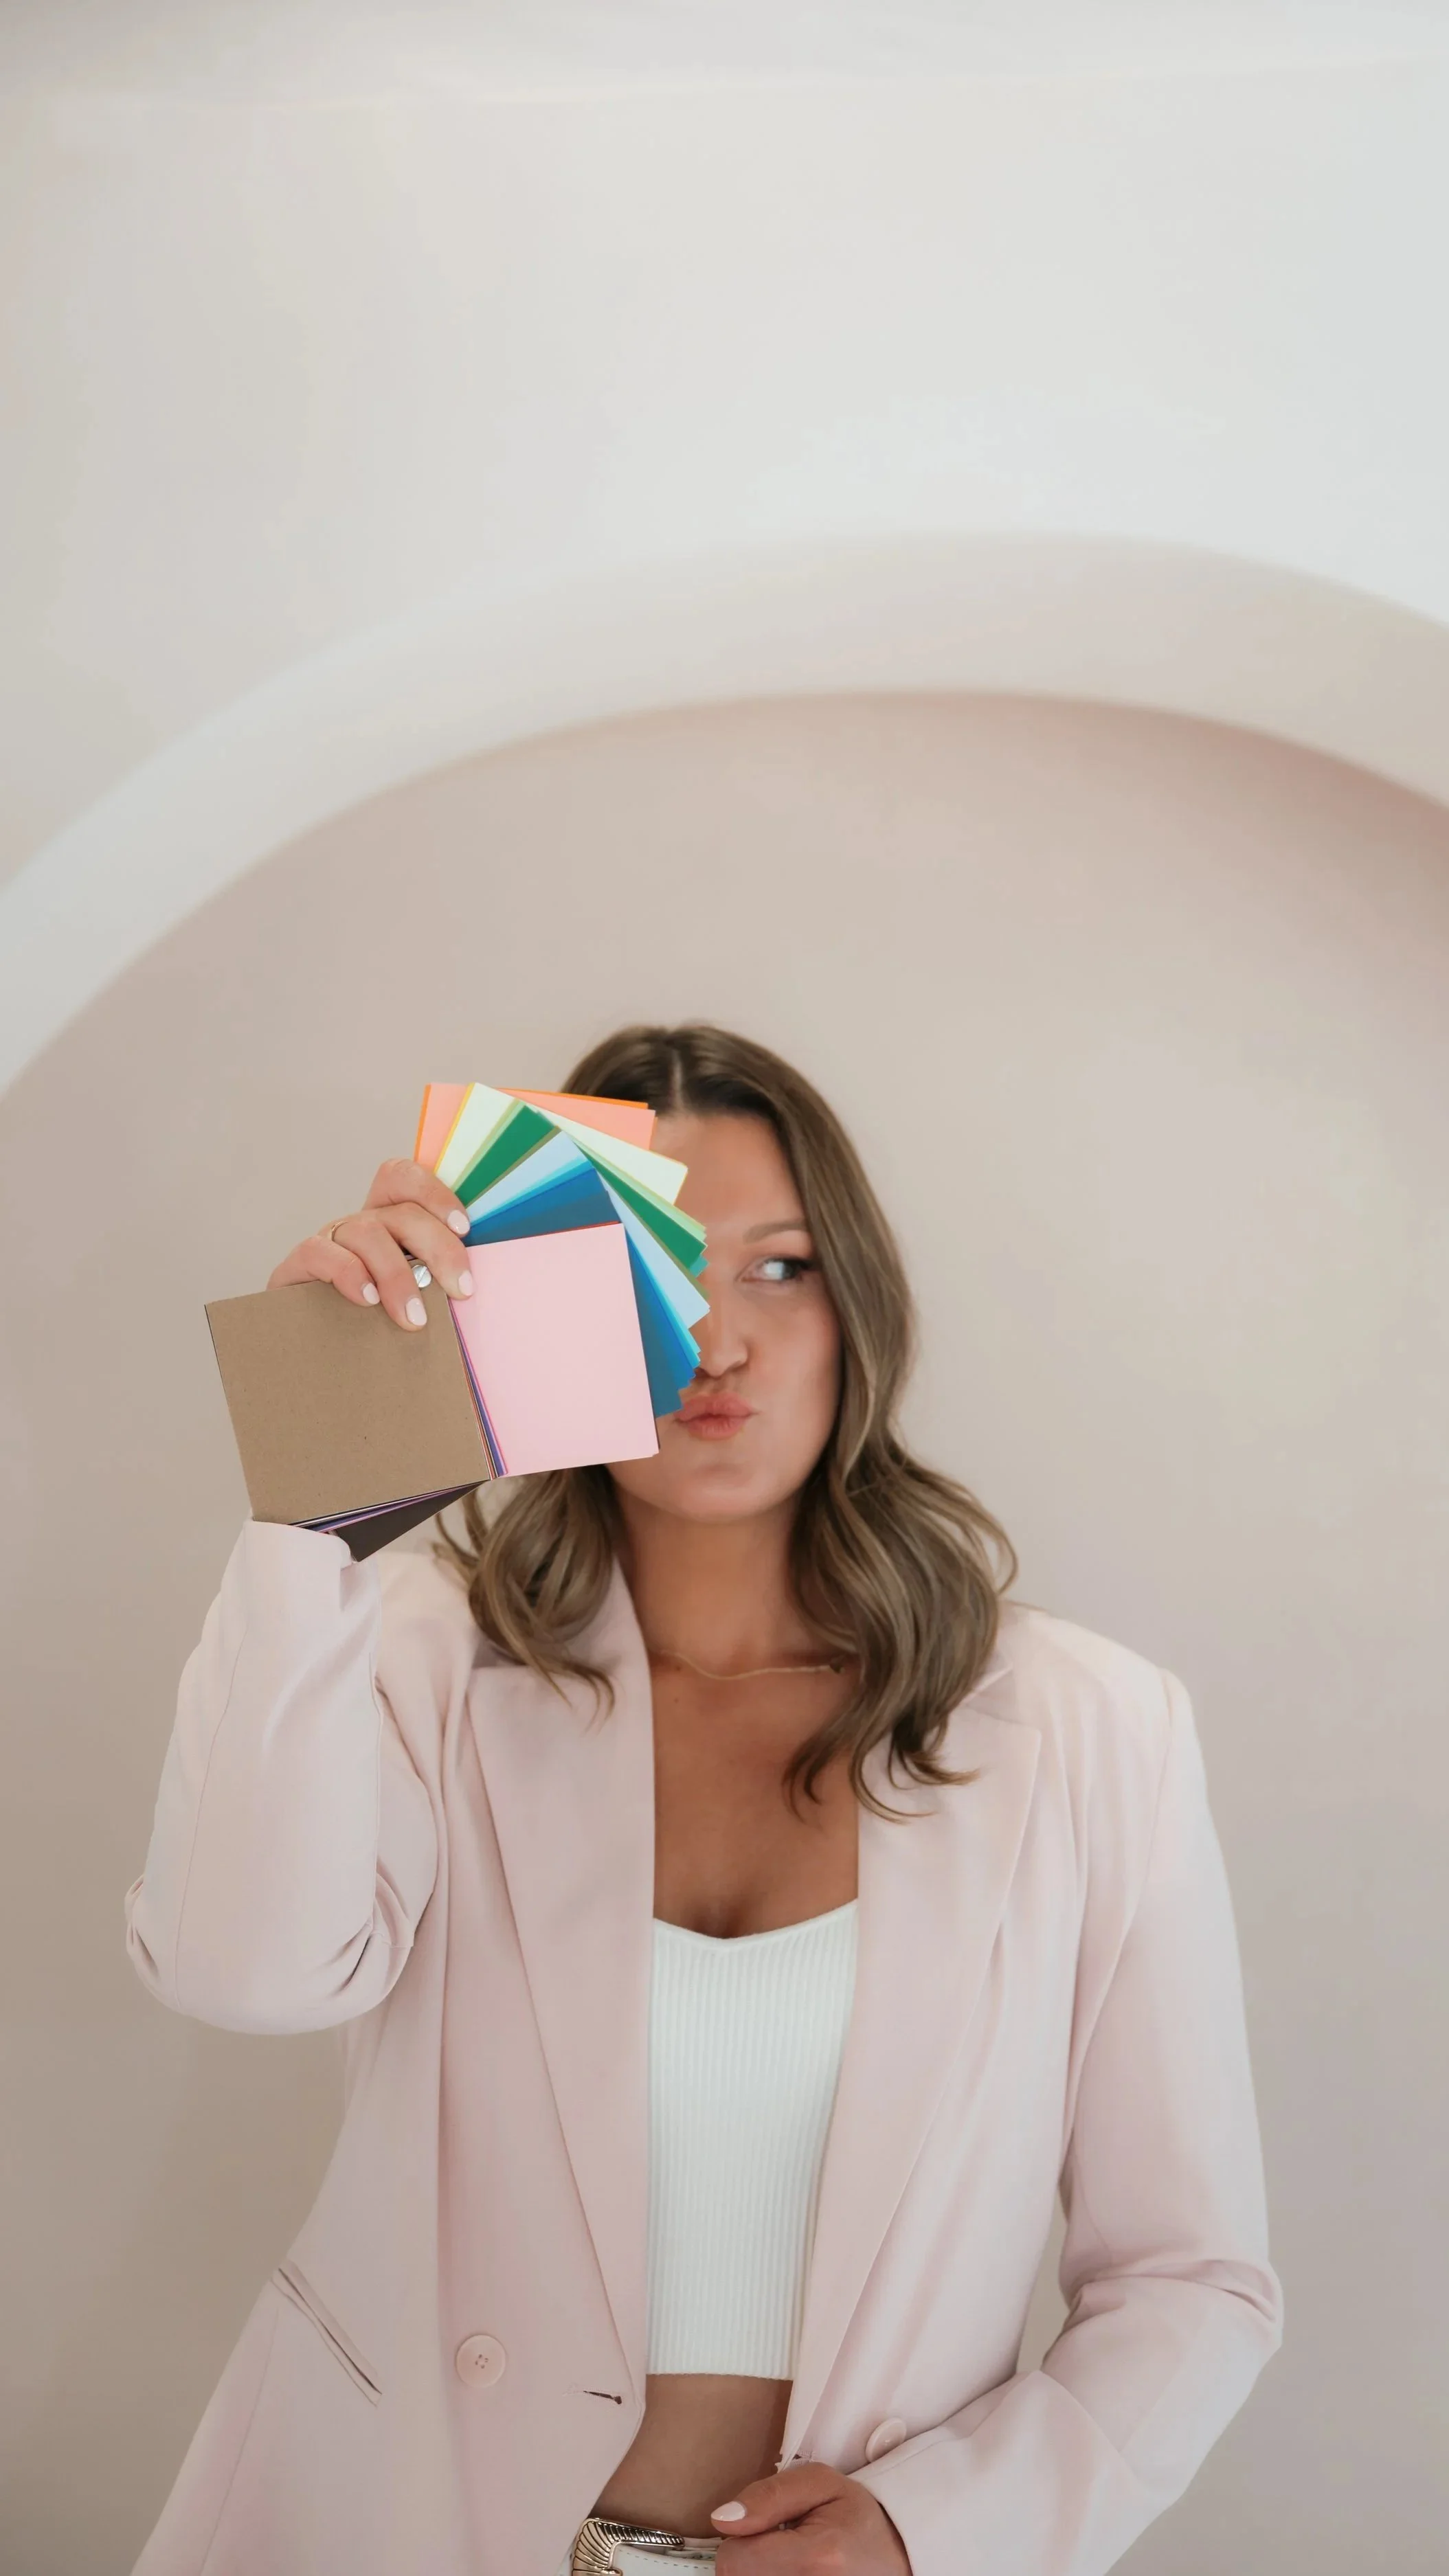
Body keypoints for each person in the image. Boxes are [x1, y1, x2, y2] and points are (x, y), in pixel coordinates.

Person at [124, 1021, 1283, 2576]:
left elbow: (1190, 2280)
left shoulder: (1089, 1729)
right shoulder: (411, 1656)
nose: (717, 1341)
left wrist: (932, 2531)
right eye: (643, 1269)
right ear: (523, 1303)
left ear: (859, 1305)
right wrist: (316, 1493)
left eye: (779, 1268)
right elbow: (242, 1971)